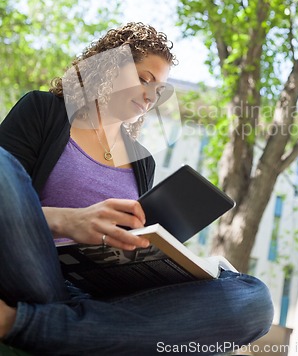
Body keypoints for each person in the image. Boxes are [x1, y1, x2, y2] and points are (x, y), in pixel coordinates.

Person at [0, 22, 273, 355]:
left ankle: (20, 323)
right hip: (39, 269)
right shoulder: (44, 112)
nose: (149, 96)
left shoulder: (142, 162)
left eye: (158, 90)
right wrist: (67, 221)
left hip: (107, 291)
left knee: (253, 299)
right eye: (144, 79)